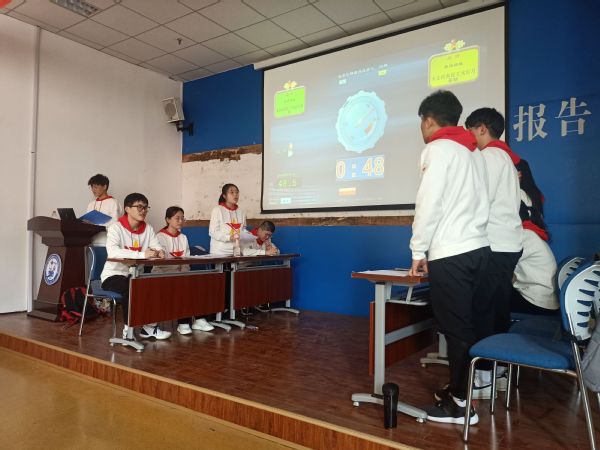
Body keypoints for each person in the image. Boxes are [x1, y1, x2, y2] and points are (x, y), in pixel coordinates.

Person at [408, 90, 491, 425]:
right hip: (479, 249)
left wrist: (418, 250)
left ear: (429, 120)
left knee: (456, 330)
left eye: (421, 123)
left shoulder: (438, 149)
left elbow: (429, 203)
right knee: (468, 326)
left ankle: (460, 406)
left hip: (452, 253)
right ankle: (461, 389)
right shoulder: (473, 152)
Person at [465, 108, 523, 334]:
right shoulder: (504, 157)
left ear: (482, 129)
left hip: (495, 244)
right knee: (497, 308)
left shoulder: (489, 157)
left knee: (483, 311)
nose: (468, 136)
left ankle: (485, 357)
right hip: (507, 243)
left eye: (470, 130)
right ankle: (496, 355)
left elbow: (480, 201)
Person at [100, 193, 171, 340]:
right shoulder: (115, 228)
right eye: (139, 207)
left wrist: (160, 252)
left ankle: (149, 328)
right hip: (113, 276)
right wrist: (142, 254)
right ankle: (128, 330)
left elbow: (157, 246)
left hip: (137, 275)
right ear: (127, 209)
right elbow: (113, 252)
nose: (143, 211)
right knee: (132, 286)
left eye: (145, 208)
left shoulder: (148, 229)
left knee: (154, 285)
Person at [152, 206, 215, 334]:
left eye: (182, 218)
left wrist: (184, 272)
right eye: (177, 218)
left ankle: (199, 320)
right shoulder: (159, 237)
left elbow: (186, 260)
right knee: (183, 286)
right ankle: (183, 323)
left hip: (181, 273)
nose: (180, 221)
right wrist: (179, 273)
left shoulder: (183, 237)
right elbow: (162, 263)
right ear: (168, 219)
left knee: (199, 284)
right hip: (162, 275)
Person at [511, 159, 559, 314]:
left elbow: (502, 271)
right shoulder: (532, 231)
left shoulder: (523, 236)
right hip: (545, 300)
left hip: (537, 302)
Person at [209, 183, 247, 256]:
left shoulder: (241, 212)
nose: (235, 195)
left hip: (237, 251)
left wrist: (248, 235)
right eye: (232, 192)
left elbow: (243, 229)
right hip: (220, 252)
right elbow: (213, 232)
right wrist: (229, 237)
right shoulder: (217, 210)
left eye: (237, 192)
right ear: (224, 196)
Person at [86, 174, 122, 245]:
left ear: (105, 187)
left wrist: (97, 226)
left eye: (95, 187)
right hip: (92, 242)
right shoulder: (91, 204)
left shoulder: (113, 202)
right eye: (92, 187)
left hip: (107, 242)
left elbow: (115, 223)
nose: (93, 190)